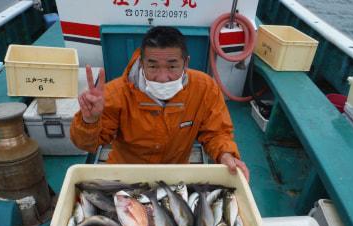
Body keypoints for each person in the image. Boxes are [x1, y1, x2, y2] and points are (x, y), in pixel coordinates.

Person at [70, 26, 249, 181]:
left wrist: (225, 154)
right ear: (142, 63)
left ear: (186, 63)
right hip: (125, 172)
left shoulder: (205, 88)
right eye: (153, 66)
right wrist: (90, 121)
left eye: (172, 66)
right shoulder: (115, 93)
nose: (163, 78)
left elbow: (216, 132)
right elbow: (87, 145)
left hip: (175, 174)